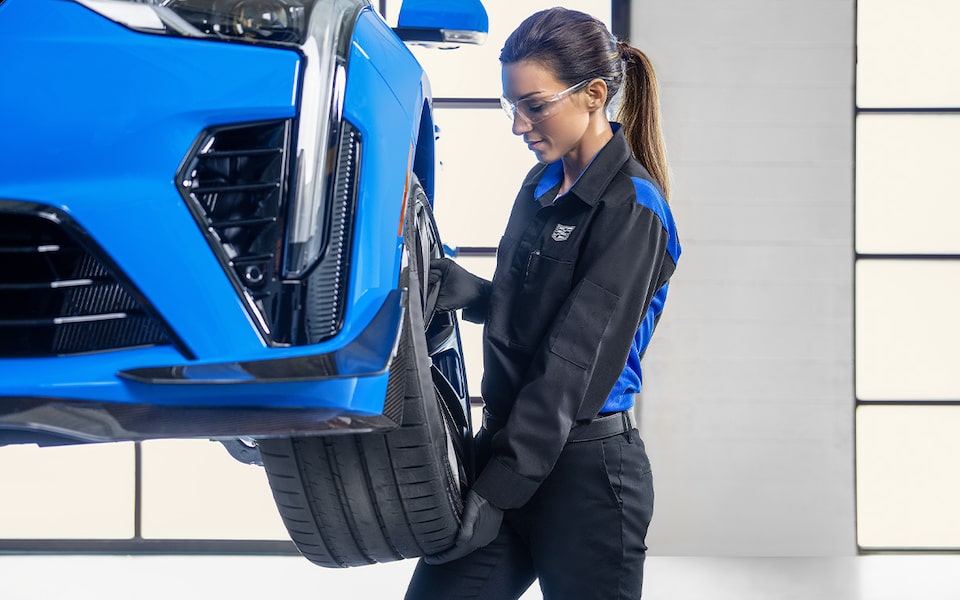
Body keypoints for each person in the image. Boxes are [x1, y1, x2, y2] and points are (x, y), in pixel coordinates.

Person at [405, 7, 681, 600]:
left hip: (585, 478)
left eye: (535, 105)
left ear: (595, 95)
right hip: (509, 449)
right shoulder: (537, 187)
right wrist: (476, 296)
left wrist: (497, 488)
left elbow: (574, 363)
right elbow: (540, 316)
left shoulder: (631, 210)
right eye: (512, 107)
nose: (518, 125)